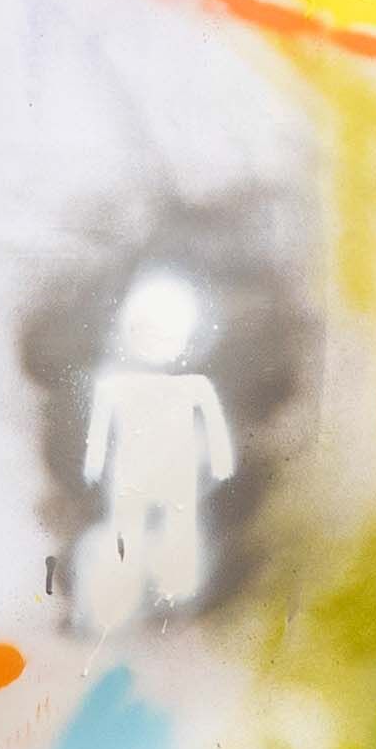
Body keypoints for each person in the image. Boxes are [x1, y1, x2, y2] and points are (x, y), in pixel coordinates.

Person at [74, 266, 238, 636]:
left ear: (189, 337)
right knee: (125, 530)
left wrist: (222, 460)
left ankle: (176, 594)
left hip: (179, 473)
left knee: (180, 526)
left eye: (169, 332)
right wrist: (94, 462)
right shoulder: (113, 385)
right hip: (130, 472)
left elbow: (213, 427)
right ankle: (116, 602)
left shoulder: (195, 387)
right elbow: (100, 430)